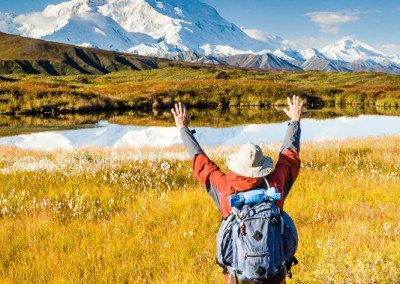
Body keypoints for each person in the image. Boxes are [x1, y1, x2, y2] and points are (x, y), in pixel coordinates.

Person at [171, 95, 303, 284]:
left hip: (237, 278)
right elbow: (289, 156)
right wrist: (295, 122)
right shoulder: (274, 185)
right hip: (275, 275)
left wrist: (183, 129)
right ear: (261, 167)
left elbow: (200, 162)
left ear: (238, 164)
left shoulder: (225, 187)